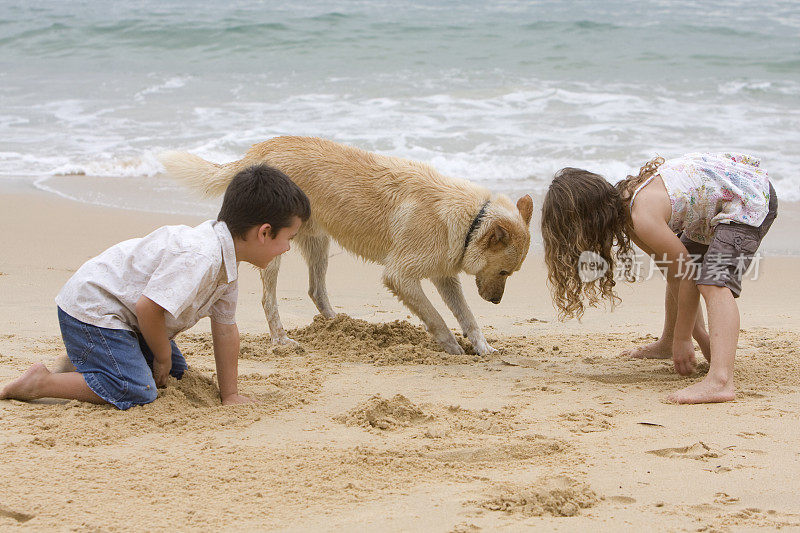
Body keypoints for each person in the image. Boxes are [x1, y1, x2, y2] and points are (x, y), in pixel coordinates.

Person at [1, 164, 310, 409]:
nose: (287, 248)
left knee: (175, 374)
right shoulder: (201, 256)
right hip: (94, 308)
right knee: (139, 389)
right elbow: (148, 308)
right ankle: (40, 383)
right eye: (289, 239)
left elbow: (226, 328)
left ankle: (87, 364)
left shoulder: (228, 262)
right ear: (264, 232)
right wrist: (161, 357)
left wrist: (229, 394)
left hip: (129, 321)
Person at [541, 153, 777, 404]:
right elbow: (675, 272)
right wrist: (690, 333)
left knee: (712, 282)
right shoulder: (627, 210)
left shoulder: (641, 216)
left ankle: (720, 381)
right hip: (719, 200)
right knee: (679, 268)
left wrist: (685, 337)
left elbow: (685, 275)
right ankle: (667, 342)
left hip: (747, 198)